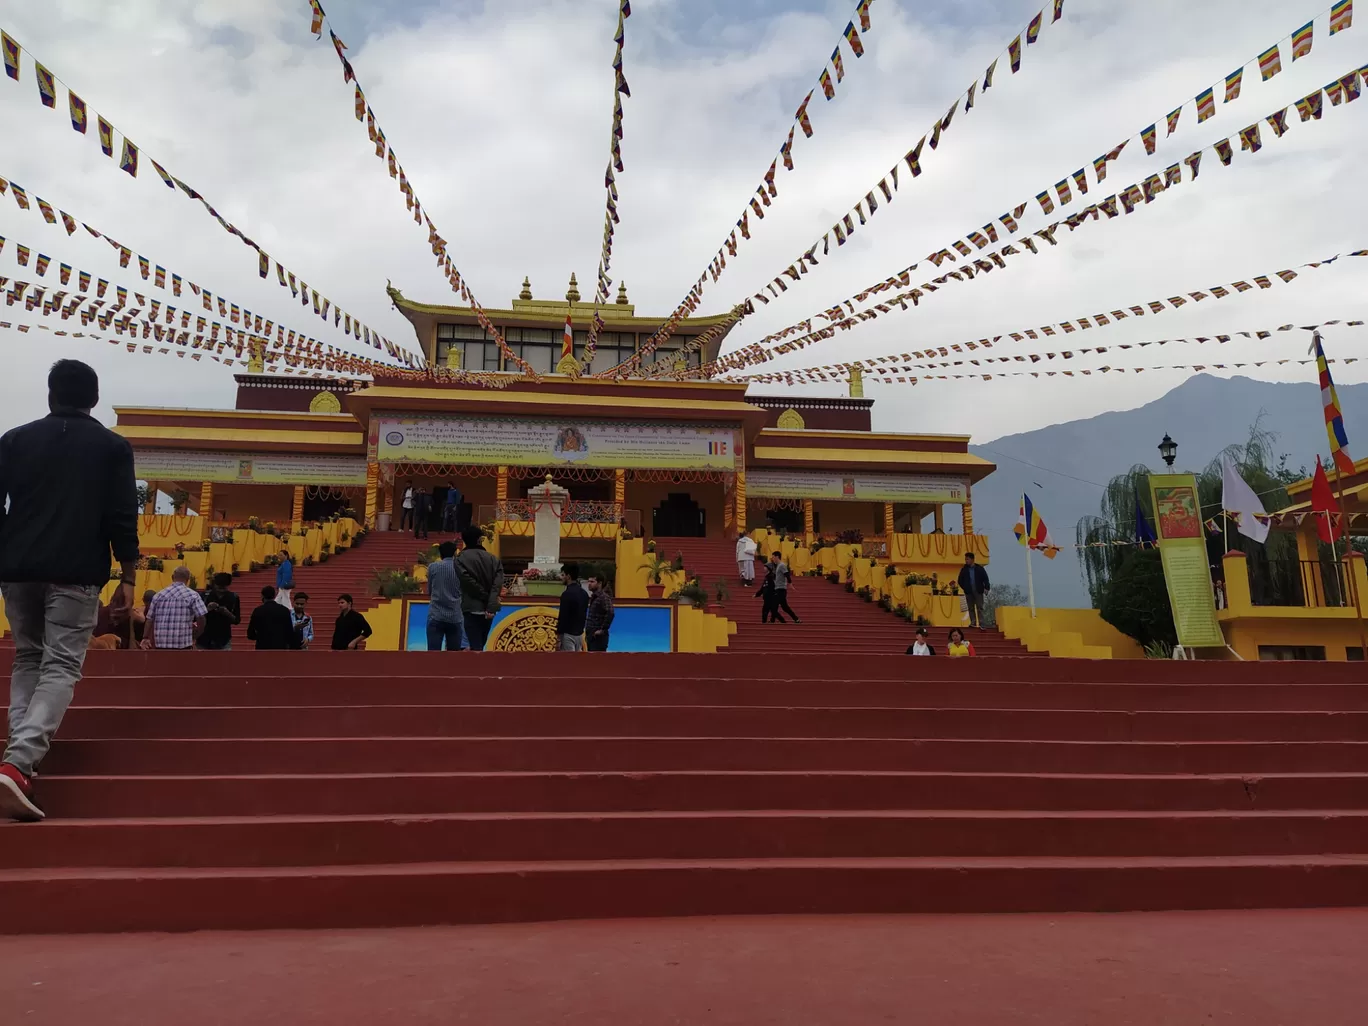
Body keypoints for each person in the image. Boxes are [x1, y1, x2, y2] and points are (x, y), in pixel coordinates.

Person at [0, 360, 141, 820]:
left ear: (49, 394)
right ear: (94, 399)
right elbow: (123, 514)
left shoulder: (15, 440)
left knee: (28, 656)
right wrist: (129, 574)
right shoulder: (111, 447)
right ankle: (18, 764)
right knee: (60, 665)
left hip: (18, 568)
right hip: (77, 571)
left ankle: (19, 759)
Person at [456, 524, 504, 650]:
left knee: (475, 644)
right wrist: (490, 601)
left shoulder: (460, 559)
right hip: (489, 610)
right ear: (479, 539)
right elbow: (497, 584)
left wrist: (484, 596)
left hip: (471, 607)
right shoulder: (494, 559)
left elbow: (468, 582)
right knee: (481, 643)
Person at [143, 566, 208, 651]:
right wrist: (198, 633)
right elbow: (201, 617)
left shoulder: (158, 595)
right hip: (183, 645)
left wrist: (145, 637)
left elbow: (149, 619)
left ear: (172, 577)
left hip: (161, 645)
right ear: (188, 579)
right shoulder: (193, 595)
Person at [426, 541, 468, 651]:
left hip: (436, 615)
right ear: (455, 553)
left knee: (433, 655)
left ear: (440, 554)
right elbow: (464, 591)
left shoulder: (433, 567)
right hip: (455, 616)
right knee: (453, 658)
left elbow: (429, 591)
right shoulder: (461, 569)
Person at [198, 572, 240, 651]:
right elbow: (195, 617)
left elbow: (237, 620)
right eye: (219, 588)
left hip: (224, 638)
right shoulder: (204, 596)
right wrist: (207, 609)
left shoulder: (233, 597)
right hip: (204, 638)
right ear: (214, 585)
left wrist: (227, 613)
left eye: (224, 588)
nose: (221, 591)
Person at [246, 585, 295, 651]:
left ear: (262, 596)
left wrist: (260, 637)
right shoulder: (284, 610)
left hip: (262, 646)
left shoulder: (258, 611)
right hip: (280, 646)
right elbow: (289, 631)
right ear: (274, 596)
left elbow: (250, 633)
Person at [557, 562, 590, 651]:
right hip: (579, 634)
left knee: (567, 662)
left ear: (568, 576)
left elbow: (563, 616)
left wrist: (559, 638)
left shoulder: (566, 594)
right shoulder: (584, 594)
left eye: (563, 575)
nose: (561, 577)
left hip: (568, 635)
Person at [957, 552, 990, 630]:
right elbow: (960, 580)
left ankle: (982, 623)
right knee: (970, 608)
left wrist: (987, 588)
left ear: (972, 559)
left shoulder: (979, 568)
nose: (966, 561)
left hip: (978, 590)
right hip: (969, 591)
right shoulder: (964, 569)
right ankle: (973, 622)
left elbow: (985, 579)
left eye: (967, 559)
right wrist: (965, 588)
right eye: (965, 559)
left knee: (980, 607)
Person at [584, 572, 615, 652]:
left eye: (592, 582)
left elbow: (610, 612)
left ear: (600, 583)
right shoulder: (594, 597)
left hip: (598, 637)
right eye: (589, 581)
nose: (589, 584)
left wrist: (602, 630)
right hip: (591, 635)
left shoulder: (603, 597)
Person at [769, 551, 800, 623]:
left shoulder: (781, 565)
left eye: (773, 557)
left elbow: (787, 574)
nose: (772, 559)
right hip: (778, 588)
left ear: (777, 557)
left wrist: (790, 583)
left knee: (774, 605)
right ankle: (796, 619)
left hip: (781, 589)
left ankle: (776, 620)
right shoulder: (778, 566)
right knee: (784, 607)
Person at [756, 558, 786, 624]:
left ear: (768, 568)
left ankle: (765, 622)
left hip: (771, 597)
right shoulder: (767, 577)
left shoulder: (771, 577)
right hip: (767, 597)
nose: (764, 568)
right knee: (772, 610)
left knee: (767, 610)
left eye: (765, 567)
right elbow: (763, 587)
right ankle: (782, 621)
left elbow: (773, 587)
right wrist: (757, 594)